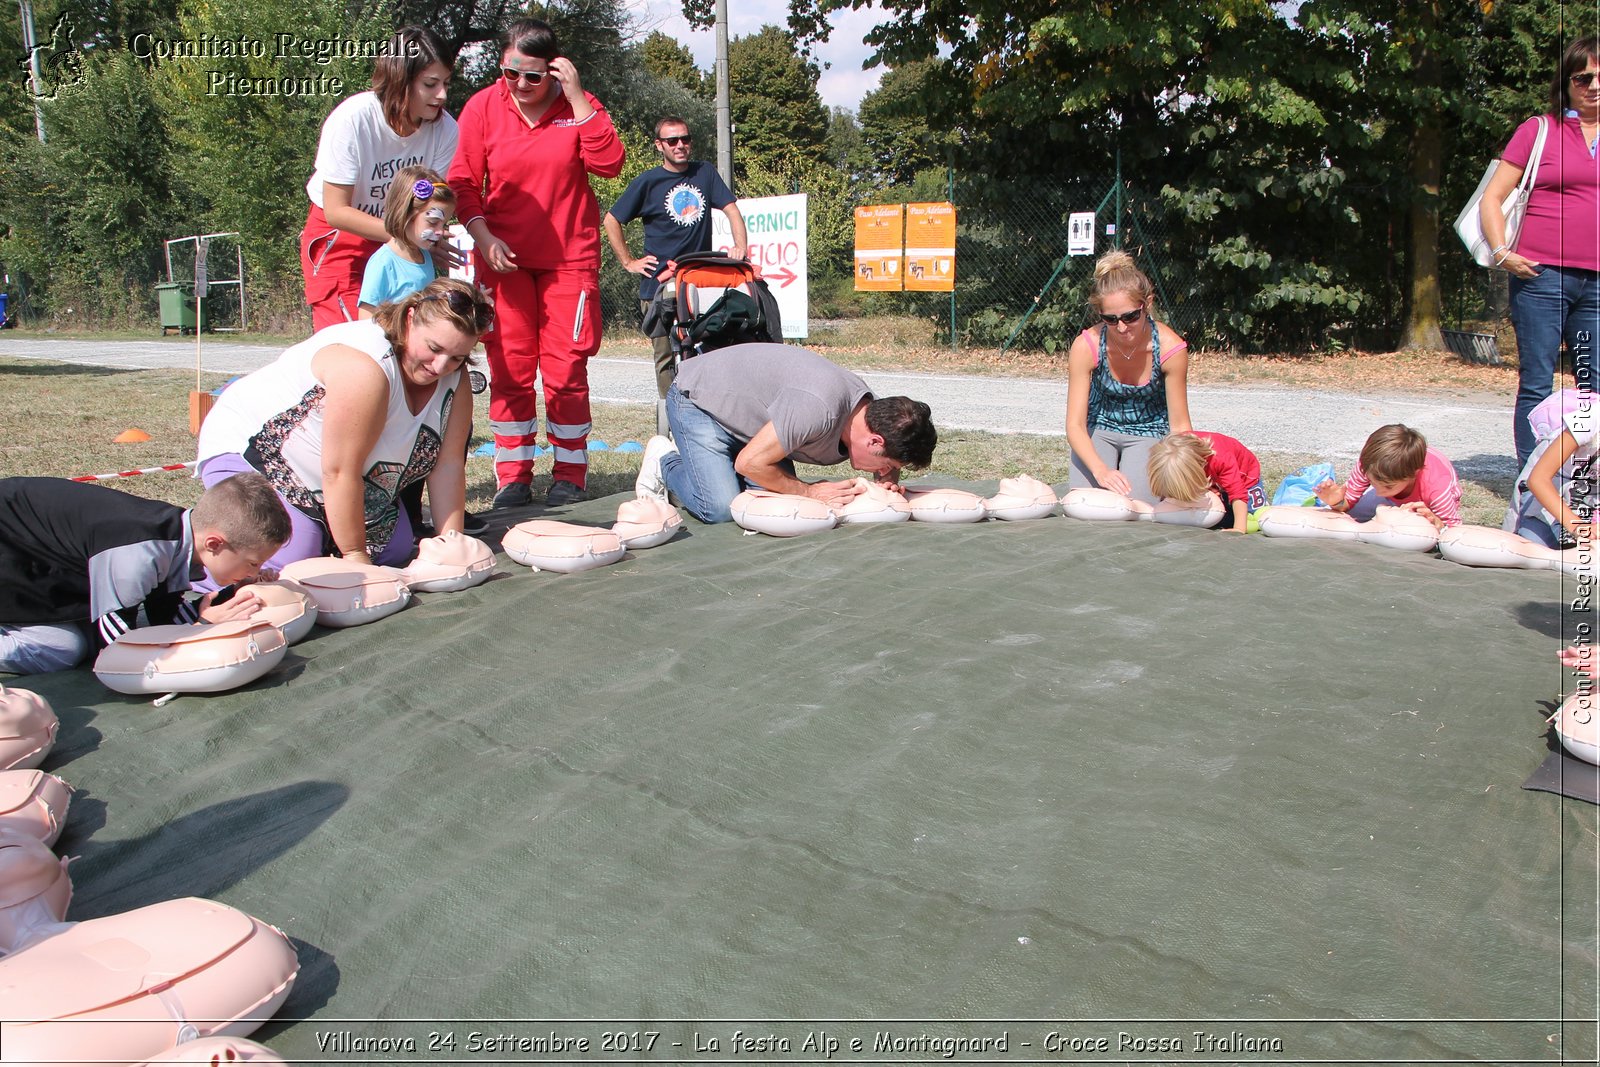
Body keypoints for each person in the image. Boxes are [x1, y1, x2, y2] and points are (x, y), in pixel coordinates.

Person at [448, 18, 626, 510]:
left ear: (555, 70)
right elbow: (463, 182)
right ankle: (513, 477)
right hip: (502, 263)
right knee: (509, 369)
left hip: (569, 261)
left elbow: (610, 162)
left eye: (532, 76)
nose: (521, 86)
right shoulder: (484, 106)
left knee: (567, 369)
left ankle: (570, 472)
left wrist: (579, 99)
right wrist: (482, 237)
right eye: (510, 73)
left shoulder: (577, 106)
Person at [196, 278, 494, 571]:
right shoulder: (364, 368)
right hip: (258, 451)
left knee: (395, 549)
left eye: (457, 357)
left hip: (341, 476)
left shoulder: (455, 379)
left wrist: (451, 544)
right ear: (410, 317)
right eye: (433, 347)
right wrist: (355, 558)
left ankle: (324, 533)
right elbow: (340, 471)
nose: (440, 367)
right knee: (291, 553)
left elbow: (449, 464)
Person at [0, 474, 290, 675]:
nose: (254, 571)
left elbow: (164, 616)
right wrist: (200, 626)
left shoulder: (177, 537)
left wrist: (229, 598)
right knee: (62, 649)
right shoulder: (139, 555)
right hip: (12, 555)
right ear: (215, 544)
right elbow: (115, 651)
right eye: (253, 563)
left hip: (35, 557)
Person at [632, 342, 937, 525]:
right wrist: (809, 491)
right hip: (700, 403)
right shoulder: (818, 409)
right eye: (889, 467)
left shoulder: (871, 413)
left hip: (753, 425)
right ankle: (665, 460)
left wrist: (886, 482)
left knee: (763, 503)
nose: (886, 473)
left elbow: (890, 448)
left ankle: (710, 467)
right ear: (875, 441)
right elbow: (750, 464)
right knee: (720, 507)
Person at [1479, 35, 1600, 468]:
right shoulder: (1540, 130)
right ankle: (1531, 479)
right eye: (1583, 77)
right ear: (1566, 84)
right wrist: (1501, 253)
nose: (1593, 85)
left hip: (1597, 288)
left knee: (1593, 386)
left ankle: (1582, 474)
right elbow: (1492, 198)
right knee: (1537, 381)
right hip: (1541, 278)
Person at [301, 26, 458, 331]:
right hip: (342, 237)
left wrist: (432, 235)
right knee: (351, 339)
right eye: (430, 84)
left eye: (446, 83)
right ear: (400, 79)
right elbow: (336, 211)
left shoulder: (446, 130)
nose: (442, 94)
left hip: (402, 239)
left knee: (407, 338)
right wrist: (404, 233)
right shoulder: (353, 119)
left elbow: (431, 202)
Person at [602, 116, 750, 397]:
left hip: (699, 282)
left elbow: (731, 209)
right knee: (665, 358)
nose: (680, 145)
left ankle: (707, 416)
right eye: (672, 141)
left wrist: (739, 246)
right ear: (660, 145)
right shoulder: (647, 182)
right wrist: (629, 262)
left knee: (708, 352)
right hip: (658, 285)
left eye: (685, 139)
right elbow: (612, 219)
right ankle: (670, 419)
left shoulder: (704, 173)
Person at [1065, 250, 1193, 503]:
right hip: (1098, 428)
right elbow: (1075, 425)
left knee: (1135, 508)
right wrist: (1100, 471)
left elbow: (1180, 426)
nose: (1122, 327)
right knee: (1086, 506)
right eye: (1110, 319)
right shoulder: (1085, 346)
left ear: (1147, 304)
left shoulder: (1171, 349)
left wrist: (1187, 471)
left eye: (1130, 317)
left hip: (1150, 431)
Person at [1314, 424, 1462, 529]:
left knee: (1420, 531)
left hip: (1426, 503)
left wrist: (1437, 522)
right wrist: (1336, 502)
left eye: (1388, 486)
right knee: (1347, 518)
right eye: (1372, 482)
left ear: (1414, 474)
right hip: (1399, 488)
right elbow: (1347, 503)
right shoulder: (1371, 464)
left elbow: (1453, 529)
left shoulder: (1437, 487)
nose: (1378, 491)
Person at [357, 167, 455, 318]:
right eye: (433, 222)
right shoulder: (384, 262)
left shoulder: (424, 256)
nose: (440, 231)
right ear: (405, 215)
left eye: (444, 224)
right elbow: (366, 315)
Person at [1515, 395, 1598, 547]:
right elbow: (1538, 480)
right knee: (1536, 551)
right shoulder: (1590, 419)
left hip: (1591, 493)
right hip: (1553, 486)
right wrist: (1576, 526)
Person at [1146, 430, 1266, 531]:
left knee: (1253, 515)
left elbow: (1238, 494)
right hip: (1211, 476)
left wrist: (1239, 529)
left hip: (1245, 477)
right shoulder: (1170, 459)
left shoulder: (1221, 458)